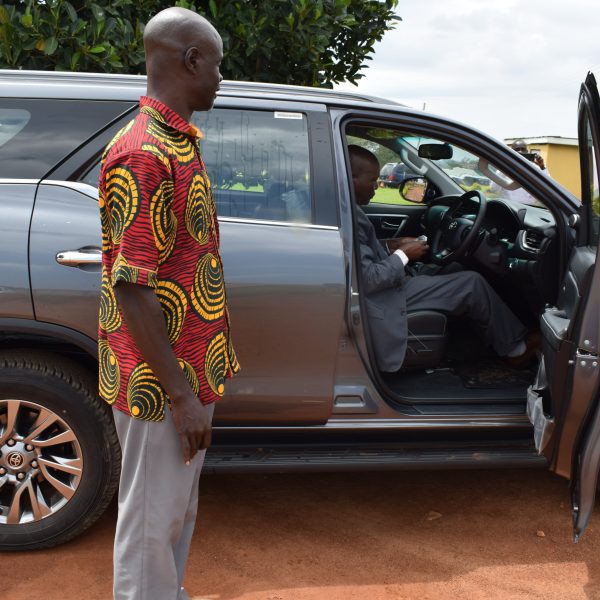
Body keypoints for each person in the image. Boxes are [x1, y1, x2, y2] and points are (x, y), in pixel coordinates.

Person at [98, 8, 239, 600]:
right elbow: (132, 286)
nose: (220, 79)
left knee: (173, 515)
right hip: (159, 386)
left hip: (182, 376)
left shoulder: (177, 142)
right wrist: (180, 396)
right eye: (217, 65)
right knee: (150, 525)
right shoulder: (144, 152)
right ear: (191, 60)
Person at [349, 144, 539, 372]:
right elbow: (368, 279)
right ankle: (515, 350)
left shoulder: (349, 209)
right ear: (351, 179)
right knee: (471, 283)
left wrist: (392, 245)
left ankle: (480, 342)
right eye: (372, 181)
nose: (377, 187)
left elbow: (361, 251)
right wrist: (404, 254)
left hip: (390, 284)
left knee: (455, 266)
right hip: (383, 296)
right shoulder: (350, 216)